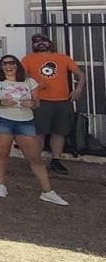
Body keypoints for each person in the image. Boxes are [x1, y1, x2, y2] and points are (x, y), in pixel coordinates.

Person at [0, 54, 68, 204]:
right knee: (2, 153)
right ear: (0, 67)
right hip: (2, 120)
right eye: (5, 64)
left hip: (25, 121)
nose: (8, 66)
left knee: (35, 157)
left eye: (12, 63)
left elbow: (37, 103)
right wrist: (2, 101)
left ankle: (47, 191)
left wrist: (32, 104)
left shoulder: (30, 82)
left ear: (18, 66)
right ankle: (1, 184)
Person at [22, 33, 86, 176]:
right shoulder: (28, 59)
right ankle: (36, 162)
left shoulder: (62, 58)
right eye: (36, 41)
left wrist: (78, 89)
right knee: (39, 133)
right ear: (33, 45)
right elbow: (21, 75)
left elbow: (80, 74)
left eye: (43, 40)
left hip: (63, 101)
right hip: (41, 101)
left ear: (49, 42)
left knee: (59, 132)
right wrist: (35, 82)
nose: (40, 43)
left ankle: (56, 161)